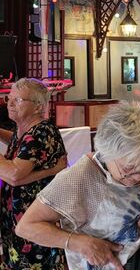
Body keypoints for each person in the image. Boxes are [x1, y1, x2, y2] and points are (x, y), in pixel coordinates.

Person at [15, 102, 140, 270]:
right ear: (107, 152)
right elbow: (26, 227)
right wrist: (81, 243)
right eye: (129, 168)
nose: (138, 176)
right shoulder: (83, 175)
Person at [0, 78, 68, 269]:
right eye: (9, 98)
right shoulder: (25, 129)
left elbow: (14, 175)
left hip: (34, 224)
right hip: (18, 222)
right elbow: (18, 142)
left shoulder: (42, 131)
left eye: (18, 100)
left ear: (38, 107)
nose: (10, 103)